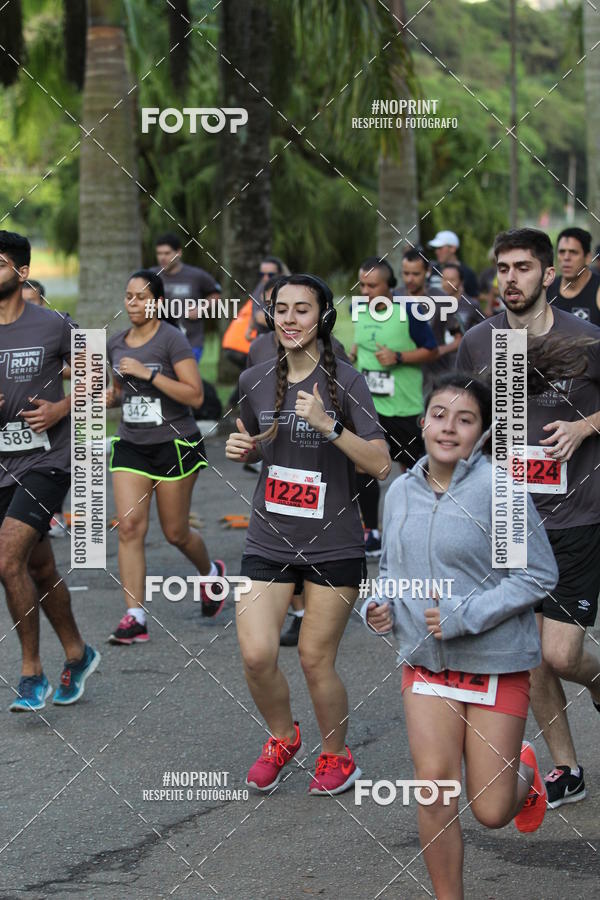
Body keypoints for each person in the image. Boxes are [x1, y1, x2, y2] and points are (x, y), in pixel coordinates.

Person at [363, 371, 559, 900]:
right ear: (423, 421)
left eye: (465, 419)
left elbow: (539, 575)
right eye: (441, 415)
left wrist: (464, 615)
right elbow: (388, 572)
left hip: (494, 662)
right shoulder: (399, 492)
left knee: (492, 810)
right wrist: (375, 606)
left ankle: (526, 779)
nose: (450, 427)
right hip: (426, 665)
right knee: (435, 795)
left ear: (482, 432)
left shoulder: (503, 490)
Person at [226, 274, 391, 794]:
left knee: (315, 658)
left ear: (322, 318)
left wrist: (329, 426)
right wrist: (249, 449)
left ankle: (337, 756)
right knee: (256, 654)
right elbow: (261, 438)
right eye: (281, 309)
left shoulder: (347, 381)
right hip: (269, 538)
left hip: (334, 541)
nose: (291, 319)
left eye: (302, 309)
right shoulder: (254, 378)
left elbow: (382, 464)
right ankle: (282, 736)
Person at [457, 227, 600, 809]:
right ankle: (566, 766)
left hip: (576, 517)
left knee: (562, 655)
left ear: (549, 276)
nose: (510, 278)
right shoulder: (479, 342)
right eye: (502, 268)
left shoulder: (587, 338)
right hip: (510, 518)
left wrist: (584, 426)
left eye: (522, 267)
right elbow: (462, 414)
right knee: (528, 652)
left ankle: (595, 677)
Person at [0, 231, 100, 711]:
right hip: (2, 462)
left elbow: (99, 378)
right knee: (39, 566)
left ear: (21, 273)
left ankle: (31, 673)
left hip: (47, 461)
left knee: (7, 561)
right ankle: (78, 653)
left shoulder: (53, 324)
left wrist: (61, 410)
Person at [106, 270, 226, 643]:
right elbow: (117, 394)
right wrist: (98, 397)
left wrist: (149, 375)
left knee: (175, 532)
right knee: (129, 528)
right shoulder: (116, 343)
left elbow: (195, 396)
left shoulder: (171, 339)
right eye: (129, 296)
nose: (133, 303)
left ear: (157, 301)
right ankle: (134, 617)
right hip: (131, 445)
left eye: (141, 297)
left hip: (175, 445)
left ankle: (210, 575)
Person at [349, 254, 438, 557]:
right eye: (362, 285)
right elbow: (360, 347)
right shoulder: (358, 311)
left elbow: (431, 350)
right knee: (363, 467)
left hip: (405, 407)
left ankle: (420, 529)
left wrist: (398, 357)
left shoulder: (408, 313)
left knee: (413, 471)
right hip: (369, 409)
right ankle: (371, 532)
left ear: (390, 286)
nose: (365, 291)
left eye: (372, 285)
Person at [150, 232, 221, 363]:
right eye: (159, 253)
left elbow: (216, 294)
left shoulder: (196, 275)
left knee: (186, 379)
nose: (162, 258)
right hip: (159, 340)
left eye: (167, 253)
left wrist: (201, 308)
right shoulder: (151, 275)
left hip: (191, 342)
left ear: (178, 253)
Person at [546, 227, 600, 326]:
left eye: (573, 252)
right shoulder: (547, 288)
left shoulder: (597, 291)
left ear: (588, 258)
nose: (566, 258)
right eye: (562, 252)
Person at [427, 230, 479, 297]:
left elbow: (473, 302)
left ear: (453, 248)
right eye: (435, 249)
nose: (436, 252)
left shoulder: (468, 273)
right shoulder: (432, 270)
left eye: (440, 248)